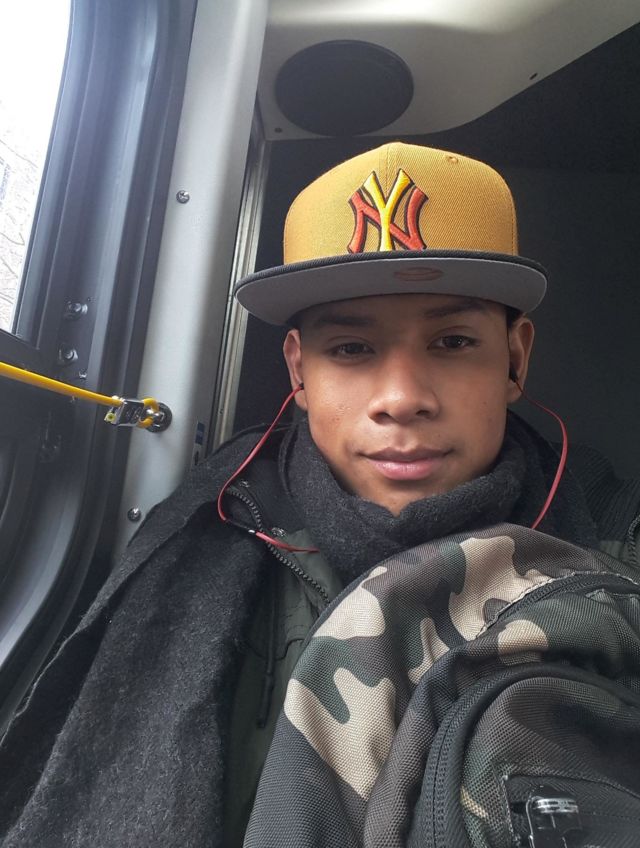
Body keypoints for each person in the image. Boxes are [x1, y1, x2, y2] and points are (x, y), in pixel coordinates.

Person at [0, 143, 637, 848]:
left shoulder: (616, 549)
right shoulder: (207, 533)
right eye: (352, 349)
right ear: (299, 373)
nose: (401, 398)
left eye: (453, 342)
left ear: (514, 359)